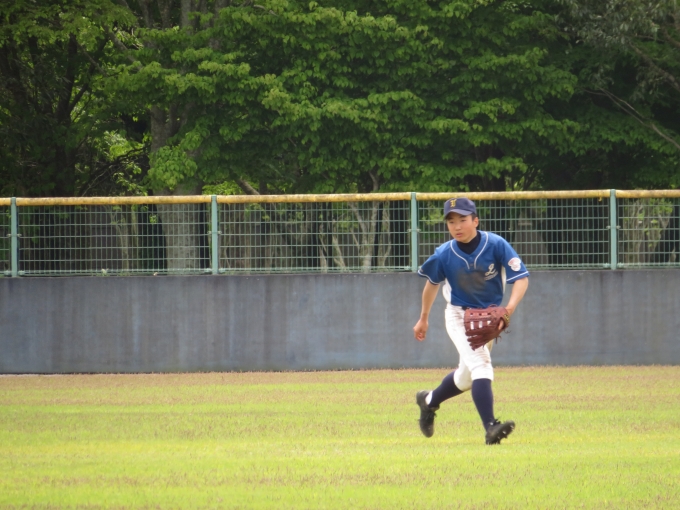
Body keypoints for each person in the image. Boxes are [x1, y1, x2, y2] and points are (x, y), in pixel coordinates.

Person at [413, 197, 529, 445]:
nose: (457, 226)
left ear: (475, 221)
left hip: (488, 318)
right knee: (481, 366)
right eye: (451, 221)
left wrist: (508, 309)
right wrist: (423, 318)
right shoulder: (444, 254)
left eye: (462, 220)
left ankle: (428, 401)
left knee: (465, 379)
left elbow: (521, 278)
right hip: (459, 316)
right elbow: (431, 285)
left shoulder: (496, 244)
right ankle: (490, 427)